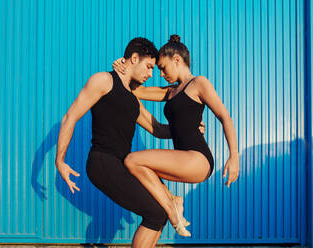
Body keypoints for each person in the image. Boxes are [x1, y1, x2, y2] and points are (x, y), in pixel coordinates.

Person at [55, 37, 202, 247]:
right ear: (134, 58)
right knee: (155, 211)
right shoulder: (103, 80)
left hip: (123, 164)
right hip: (102, 161)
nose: (151, 74)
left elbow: (158, 129)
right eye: (149, 67)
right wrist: (60, 160)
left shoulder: (133, 98)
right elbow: (70, 116)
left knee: (159, 213)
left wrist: (188, 129)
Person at [112, 34, 240, 237]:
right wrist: (121, 66)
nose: (161, 74)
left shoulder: (198, 83)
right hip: (184, 158)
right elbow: (137, 90)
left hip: (198, 158)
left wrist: (234, 156)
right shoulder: (170, 91)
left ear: (177, 60)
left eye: (163, 67)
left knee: (133, 160)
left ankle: (172, 208)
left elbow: (224, 116)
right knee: (139, 168)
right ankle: (173, 200)